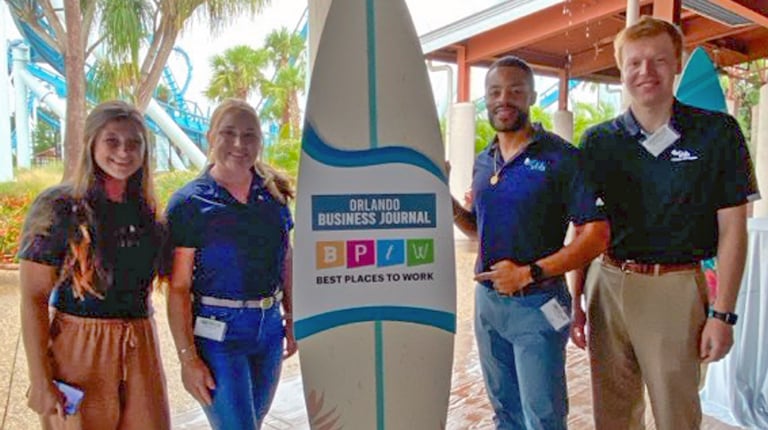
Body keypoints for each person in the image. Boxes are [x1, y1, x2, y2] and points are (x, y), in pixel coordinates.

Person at [573, 16, 759, 430]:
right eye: (635, 63)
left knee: (677, 415)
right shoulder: (598, 141)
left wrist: (723, 315)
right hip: (607, 285)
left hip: (674, 287)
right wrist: (575, 303)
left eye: (658, 61)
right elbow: (584, 228)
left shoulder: (717, 133)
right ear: (620, 69)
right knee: (613, 414)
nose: (646, 72)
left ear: (676, 64)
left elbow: (733, 230)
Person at [452, 55, 610, 429]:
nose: (503, 99)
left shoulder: (562, 158)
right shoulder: (483, 161)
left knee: (543, 415)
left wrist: (529, 273)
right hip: (488, 305)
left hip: (539, 303)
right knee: (504, 409)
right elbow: (480, 228)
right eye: (494, 91)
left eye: (515, 90)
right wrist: (447, 202)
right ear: (485, 99)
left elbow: (597, 235)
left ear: (532, 96)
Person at [18, 100, 171, 429]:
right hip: (78, 346)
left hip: (139, 341)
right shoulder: (59, 207)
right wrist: (40, 378)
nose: (123, 152)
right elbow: (33, 297)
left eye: (134, 143)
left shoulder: (147, 214)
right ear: (92, 143)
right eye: (112, 141)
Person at [165, 99, 297, 429]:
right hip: (217, 334)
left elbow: (287, 259)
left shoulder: (273, 194)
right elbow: (178, 288)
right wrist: (187, 358)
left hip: (268, 330)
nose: (239, 144)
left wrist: (293, 316)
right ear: (211, 137)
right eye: (229, 133)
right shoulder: (190, 202)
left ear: (259, 142)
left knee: (251, 421)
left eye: (249, 135)